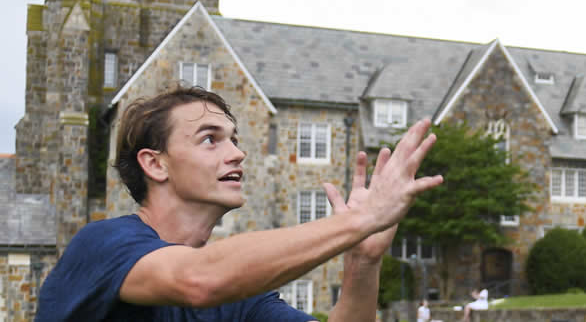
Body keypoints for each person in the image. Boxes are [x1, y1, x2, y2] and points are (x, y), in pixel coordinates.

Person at [38, 88, 444, 321]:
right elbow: (199, 279)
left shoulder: (240, 296)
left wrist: (363, 262)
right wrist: (361, 219)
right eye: (210, 139)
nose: (237, 154)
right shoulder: (102, 245)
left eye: (234, 140)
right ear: (155, 164)